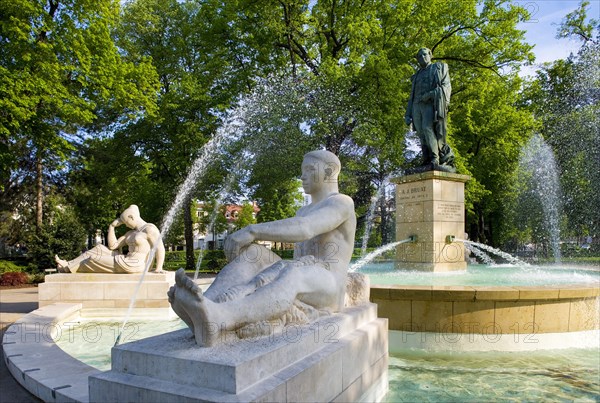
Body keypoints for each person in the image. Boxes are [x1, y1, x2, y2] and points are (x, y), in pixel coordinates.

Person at [168, 150, 357, 346]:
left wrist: (252, 231)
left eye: (309, 169)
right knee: (255, 254)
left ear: (329, 171)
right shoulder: (303, 210)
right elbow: (301, 226)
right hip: (304, 273)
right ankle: (204, 305)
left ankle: (223, 317)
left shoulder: (341, 202)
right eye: (303, 170)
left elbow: (306, 228)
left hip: (330, 284)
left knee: (294, 273)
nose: (302, 176)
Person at [55, 205, 165, 274]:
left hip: (135, 264)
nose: (126, 225)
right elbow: (113, 246)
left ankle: (67, 269)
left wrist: (158, 268)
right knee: (99, 248)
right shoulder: (130, 233)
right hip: (126, 260)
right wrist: (111, 227)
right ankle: (67, 265)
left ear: (132, 217)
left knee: (92, 259)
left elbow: (160, 248)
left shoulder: (149, 229)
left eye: (126, 222)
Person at [405, 47, 456, 170]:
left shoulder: (438, 68)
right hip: (416, 106)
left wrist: (429, 95)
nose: (422, 57)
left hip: (429, 104)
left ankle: (435, 158)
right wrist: (408, 114)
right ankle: (426, 159)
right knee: (421, 133)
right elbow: (411, 96)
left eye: (424, 55)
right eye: (420, 56)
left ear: (430, 55)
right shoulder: (416, 76)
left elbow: (445, 87)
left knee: (427, 128)